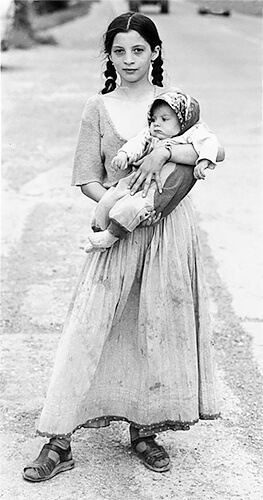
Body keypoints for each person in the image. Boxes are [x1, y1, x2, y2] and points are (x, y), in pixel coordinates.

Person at [23, 11, 225, 482]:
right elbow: (87, 178)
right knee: (90, 327)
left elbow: (214, 149)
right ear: (109, 57)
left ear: (155, 53)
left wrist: (165, 151)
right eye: (119, 51)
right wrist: (118, 203)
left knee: (154, 324)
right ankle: (59, 439)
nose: (129, 59)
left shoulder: (171, 105)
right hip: (119, 229)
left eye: (139, 49)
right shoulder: (98, 107)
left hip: (169, 232)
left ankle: (144, 428)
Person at [84, 90, 218, 253]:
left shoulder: (190, 134)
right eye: (153, 119)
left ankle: (111, 235)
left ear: (183, 120)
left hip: (159, 189)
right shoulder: (150, 135)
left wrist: (203, 161)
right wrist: (124, 155)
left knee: (134, 207)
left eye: (164, 119)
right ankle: (98, 231)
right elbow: (137, 143)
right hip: (135, 180)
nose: (156, 123)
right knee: (109, 199)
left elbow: (211, 144)